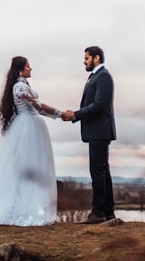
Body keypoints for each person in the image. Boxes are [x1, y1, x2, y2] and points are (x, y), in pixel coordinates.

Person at [0, 56, 64, 226]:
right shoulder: (20, 87)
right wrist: (61, 113)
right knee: (25, 166)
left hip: (31, 125)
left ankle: (28, 204)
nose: (31, 68)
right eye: (28, 66)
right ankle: (21, 207)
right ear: (20, 70)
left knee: (32, 166)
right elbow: (38, 106)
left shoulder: (21, 86)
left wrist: (59, 115)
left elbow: (38, 109)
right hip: (27, 128)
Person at [61, 46, 116, 223]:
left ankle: (98, 213)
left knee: (97, 171)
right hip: (97, 130)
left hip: (100, 130)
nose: (84, 62)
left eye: (86, 58)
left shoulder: (103, 76)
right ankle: (108, 213)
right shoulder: (95, 77)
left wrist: (76, 114)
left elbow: (100, 104)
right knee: (102, 171)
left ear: (96, 58)